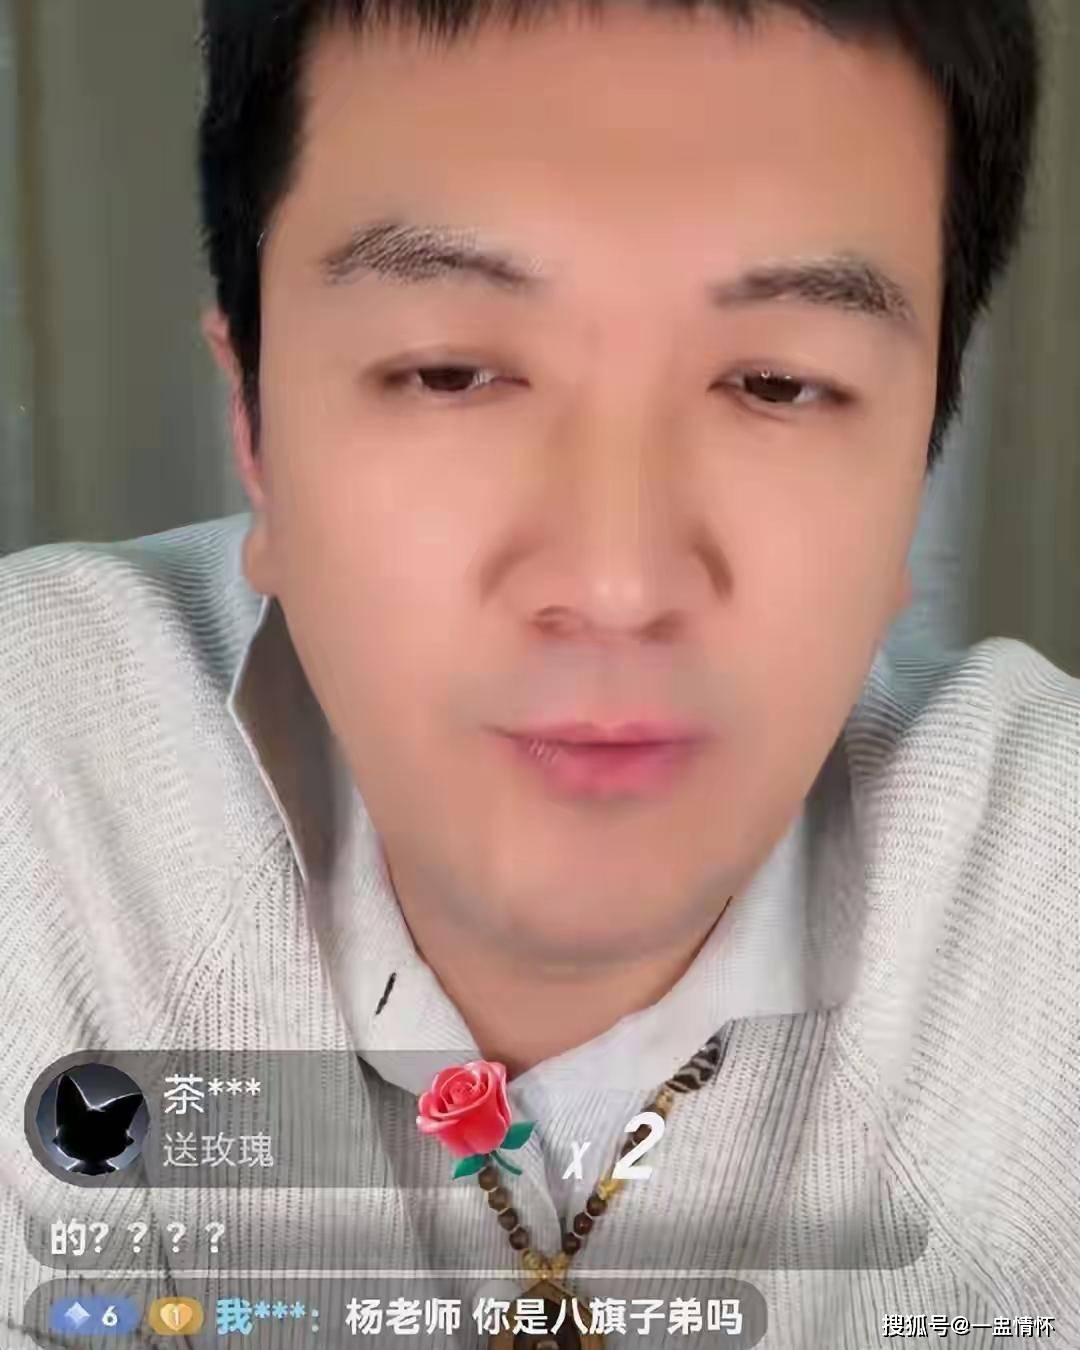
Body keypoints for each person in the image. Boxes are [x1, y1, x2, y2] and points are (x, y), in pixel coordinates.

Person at [1, 0, 1076, 1345]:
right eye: (451, 371)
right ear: (256, 434)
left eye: (776, 384)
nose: (616, 583)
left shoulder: (1046, 903)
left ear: (918, 464)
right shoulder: (34, 787)